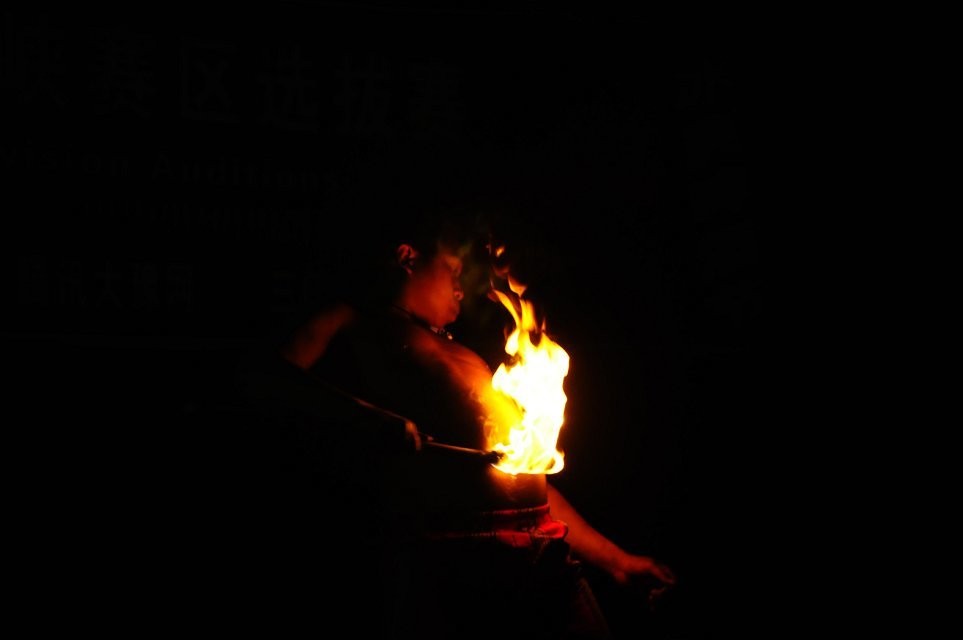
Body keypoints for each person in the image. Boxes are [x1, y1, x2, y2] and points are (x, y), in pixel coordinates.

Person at [235, 208, 676, 638]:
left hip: (544, 551)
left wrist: (616, 561)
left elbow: (526, 472)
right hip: (457, 559)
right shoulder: (356, 319)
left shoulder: (466, 355)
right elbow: (262, 375)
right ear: (408, 258)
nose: (463, 290)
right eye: (453, 270)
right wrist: (366, 418)